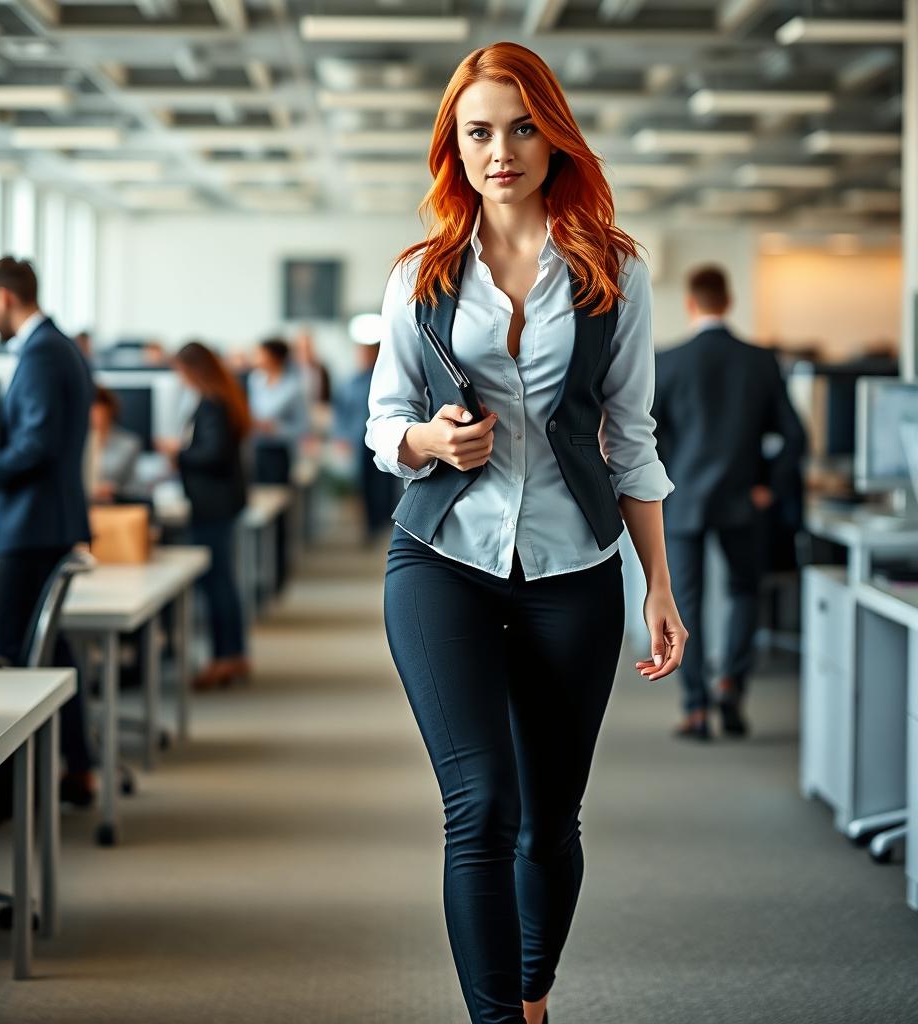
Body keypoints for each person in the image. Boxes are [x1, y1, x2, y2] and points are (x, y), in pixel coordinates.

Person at [366, 42, 687, 1024]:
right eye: (477, 132)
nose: (499, 149)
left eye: (519, 127)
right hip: (440, 560)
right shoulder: (419, 274)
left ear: (552, 136)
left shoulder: (613, 275)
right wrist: (427, 438)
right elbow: (382, 426)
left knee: (549, 821)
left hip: (571, 564)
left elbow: (630, 440)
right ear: (452, 149)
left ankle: (532, 990)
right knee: (481, 808)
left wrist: (657, 587)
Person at [0, 256, 95, 805]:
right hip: (47, 521)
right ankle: (76, 764)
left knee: (18, 654)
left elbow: (35, 444)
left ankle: (15, 787)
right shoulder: (59, 347)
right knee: (50, 651)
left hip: (30, 525)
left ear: (7, 297)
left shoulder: (40, 353)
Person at [653, 264, 806, 741]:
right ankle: (732, 687)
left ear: (691, 303)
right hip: (744, 501)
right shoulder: (761, 360)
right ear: (729, 301)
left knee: (687, 606)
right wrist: (770, 486)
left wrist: (661, 484)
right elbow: (796, 437)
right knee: (743, 594)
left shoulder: (669, 360)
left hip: (683, 503)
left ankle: (696, 709)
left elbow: (644, 438)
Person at [157, 341, 252, 689]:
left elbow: (212, 455)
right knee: (221, 581)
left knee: (217, 584)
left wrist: (177, 453)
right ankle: (232, 654)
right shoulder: (220, 399)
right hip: (218, 502)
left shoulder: (213, 405)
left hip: (212, 504)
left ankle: (225, 657)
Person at [333, 341, 399, 542]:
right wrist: (341, 436)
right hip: (359, 440)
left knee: (386, 482)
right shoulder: (350, 382)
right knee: (364, 483)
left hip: (383, 439)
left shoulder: (386, 378)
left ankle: (384, 522)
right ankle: (370, 525)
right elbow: (341, 412)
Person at [247, 337, 310, 485]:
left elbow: (303, 427)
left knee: (278, 495)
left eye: (260, 354)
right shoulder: (255, 380)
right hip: (256, 447)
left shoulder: (293, 388)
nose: (256, 358)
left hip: (280, 451)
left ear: (273, 357)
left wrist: (276, 429)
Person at [88, 385, 142, 502]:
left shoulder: (129, 443)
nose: (93, 411)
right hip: (82, 506)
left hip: (113, 506)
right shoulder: (76, 442)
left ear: (109, 409)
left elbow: (135, 487)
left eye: (98, 406)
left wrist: (115, 491)